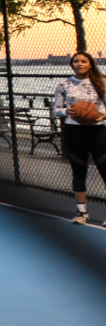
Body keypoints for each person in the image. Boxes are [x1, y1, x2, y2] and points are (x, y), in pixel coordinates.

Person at [54, 51, 106, 224]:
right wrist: (66, 111)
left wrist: (102, 116)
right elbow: (56, 109)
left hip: (97, 132)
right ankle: (81, 212)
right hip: (73, 132)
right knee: (78, 172)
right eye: (76, 61)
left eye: (83, 61)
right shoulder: (63, 84)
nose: (79, 64)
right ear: (72, 65)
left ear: (90, 64)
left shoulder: (101, 82)